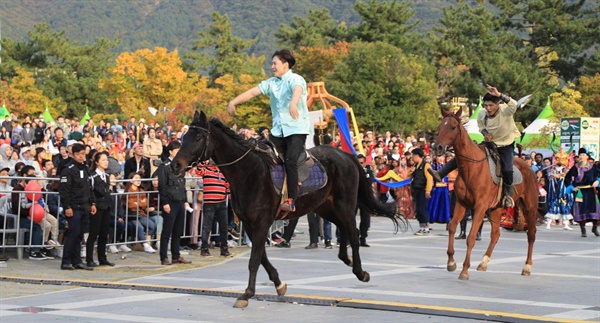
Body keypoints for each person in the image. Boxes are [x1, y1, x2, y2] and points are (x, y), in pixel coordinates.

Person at [227, 49, 311, 212]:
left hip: (296, 129)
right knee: (258, 154)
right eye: (272, 63)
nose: (272, 66)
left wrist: (293, 103)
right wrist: (233, 102)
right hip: (278, 131)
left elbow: (297, 90)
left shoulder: (295, 79)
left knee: (290, 160)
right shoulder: (271, 83)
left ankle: (291, 198)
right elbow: (252, 92)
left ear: (285, 65)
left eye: (275, 63)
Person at [429, 84, 520, 208]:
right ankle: (441, 173)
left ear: (498, 104)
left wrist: (499, 95)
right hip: (490, 143)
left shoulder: (506, 110)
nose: (488, 108)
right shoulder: (482, 113)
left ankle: (507, 195)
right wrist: (485, 133)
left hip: (505, 145)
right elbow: (481, 127)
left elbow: (514, 104)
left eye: (491, 105)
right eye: (486, 105)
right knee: (466, 154)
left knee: (508, 169)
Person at [59, 143, 96, 270]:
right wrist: (67, 206)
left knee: (80, 234)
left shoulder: (85, 168)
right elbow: (64, 191)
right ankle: (66, 261)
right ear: (73, 155)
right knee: (72, 234)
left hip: (85, 206)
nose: (81, 157)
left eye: (83, 154)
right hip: (73, 206)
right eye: (78, 154)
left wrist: (93, 203)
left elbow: (89, 187)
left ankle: (77, 260)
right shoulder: (68, 169)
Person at [157, 141, 192, 265]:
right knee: (167, 231)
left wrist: (185, 201)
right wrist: (165, 202)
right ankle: (164, 257)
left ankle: (176, 255)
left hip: (179, 201)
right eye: (176, 150)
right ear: (171, 151)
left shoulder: (180, 165)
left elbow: (182, 185)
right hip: (170, 201)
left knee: (178, 231)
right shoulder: (164, 166)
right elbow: (162, 185)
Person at [196, 160, 232, 257]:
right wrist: (204, 162)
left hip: (221, 203)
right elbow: (198, 170)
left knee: (223, 227)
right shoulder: (206, 170)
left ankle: (224, 249)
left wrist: (229, 195)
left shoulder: (223, 173)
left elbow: (227, 186)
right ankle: (204, 249)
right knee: (207, 227)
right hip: (209, 203)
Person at [86, 151, 115, 267]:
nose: (106, 162)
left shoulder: (106, 176)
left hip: (106, 207)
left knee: (104, 234)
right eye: (103, 160)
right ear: (97, 162)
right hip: (97, 207)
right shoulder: (92, 176)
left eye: (106, 159)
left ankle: (102, 258)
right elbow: (90, 192)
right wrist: (93, 203)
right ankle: (89, 259)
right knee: (93, 233)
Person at [565, 148, 599, 237]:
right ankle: (583, 230)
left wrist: (598, 181)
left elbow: (598, 175)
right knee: (581, 210)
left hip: (590, 190)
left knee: (594, 209)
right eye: (580, 155)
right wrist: (571, 187)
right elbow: (567, 178)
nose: (581, 156)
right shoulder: (575, 167)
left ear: (587, 156)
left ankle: (594, 227)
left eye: (583, 155)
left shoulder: (593, 167)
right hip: (580, 191)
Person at [409, 148, 433, 235]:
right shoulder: (415, 165)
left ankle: (425, 227)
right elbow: (410, 176)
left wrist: (428, 191)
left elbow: (430, 179)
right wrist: (411, 172)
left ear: (417, 156)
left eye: (413, 156)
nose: (412, 158)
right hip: (416, 190)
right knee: (418, 209)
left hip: (423, 190)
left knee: (422, 209)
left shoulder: (426, 165)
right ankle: (421, 226)